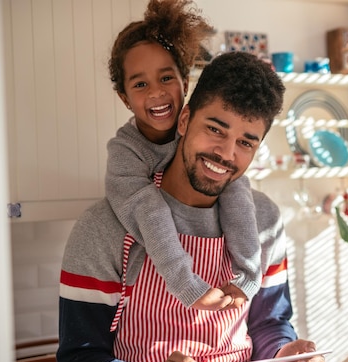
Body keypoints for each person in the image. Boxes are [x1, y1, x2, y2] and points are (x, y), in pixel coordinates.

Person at [56, 48, 325, 362]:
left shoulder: (264, 220)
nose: (226, 153)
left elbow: (269, 324)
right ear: (184, 119)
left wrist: (282, 358)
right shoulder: (105, 226)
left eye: (246, 142)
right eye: (215, 129)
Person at [106, 0, 261, 312]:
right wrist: (186, 284)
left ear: (185, 83)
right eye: (139, 84)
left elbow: (236, 192)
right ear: (124, 98)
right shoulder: (125, 152)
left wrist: (249, 276)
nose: (156, 92)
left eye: (166, 78)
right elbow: (149, 212)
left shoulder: (197, 135)